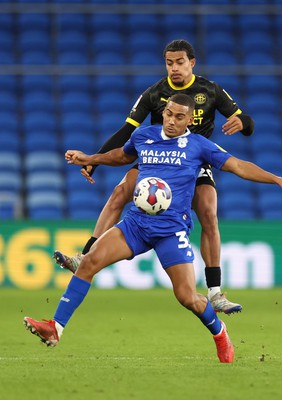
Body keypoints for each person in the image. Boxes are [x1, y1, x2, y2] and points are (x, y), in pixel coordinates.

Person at [24, 94, 282, 363]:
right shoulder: (144, 136)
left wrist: (277, 180)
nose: (172, 121)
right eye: (168, 114)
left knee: (187, 298)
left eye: (179, 117)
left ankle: (219, 331)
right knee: (87, 263)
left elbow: (238, 166)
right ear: (163, 113)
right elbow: (121, 157)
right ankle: (55, 328)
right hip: (135, 224)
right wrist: (90, 158)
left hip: (171, 232)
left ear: (190, 120)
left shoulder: (200, 146)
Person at [54, 39, 255, 314]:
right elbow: (127, 130)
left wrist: (243, 122)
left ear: (192, 63)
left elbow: (248, 123)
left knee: (208, 211)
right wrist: (94, 161)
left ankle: (215, 292)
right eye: (169, 62)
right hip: (156, 160)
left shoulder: (211, 90)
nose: (174, 68)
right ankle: (84, 256)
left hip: (194, 161)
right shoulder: (154, 93)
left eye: (180, 62)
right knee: (120, 191)